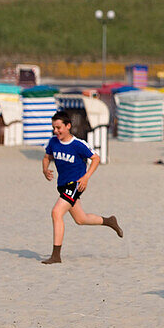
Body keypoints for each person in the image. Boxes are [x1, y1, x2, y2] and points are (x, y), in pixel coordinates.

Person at [41, 110, 122, 264]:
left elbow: (96, 159)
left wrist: (85, 178)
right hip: (62, 185)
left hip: (75, 185)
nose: (56, 131)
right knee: (80, 219)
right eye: (54, 128)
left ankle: (56, 256)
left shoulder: (78, 144)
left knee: (56, 212)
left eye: (59, 128)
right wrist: (45, 170)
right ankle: (109, 221)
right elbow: (46, 157)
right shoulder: (53, 142)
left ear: (68, 126)